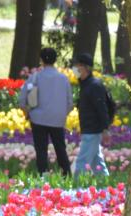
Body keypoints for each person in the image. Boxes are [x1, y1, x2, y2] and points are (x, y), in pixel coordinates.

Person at [20, 47, 73, 177]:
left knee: (41, 150)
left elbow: (22, 100)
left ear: (41, 60)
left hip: (38, 119)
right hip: (57, 119)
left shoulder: (35, 77)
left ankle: (43, 176)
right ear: (56, 60)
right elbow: (70, 103)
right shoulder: (63, 78)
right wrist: (62, 114)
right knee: (61, 149)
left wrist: (28, 113)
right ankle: (66, 175)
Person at [71, 52, 111, 177]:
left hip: (93, 129)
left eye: (77, 65)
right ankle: (105, 183)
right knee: (96, 162)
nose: (75, 68)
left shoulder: (94, 85)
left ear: (85, 68)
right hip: (88, 129)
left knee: (82, 161)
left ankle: (75, 188)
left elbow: (102, 108)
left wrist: (105, 129)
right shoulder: (86, 85)